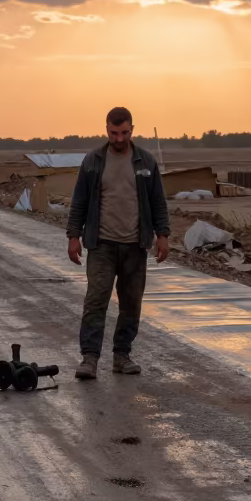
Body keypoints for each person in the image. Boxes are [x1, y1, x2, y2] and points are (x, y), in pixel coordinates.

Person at [67, 107, 171, 380]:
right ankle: (89, 359)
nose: (119, 138)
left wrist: (163, 235)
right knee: (96, 300)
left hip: (135, 246)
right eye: (114, 133)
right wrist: (73, 236)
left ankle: (122, 356)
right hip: (101, 245)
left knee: (131, 303)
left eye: (124, 132)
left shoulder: (146, 162)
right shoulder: (93, 162)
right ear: (107, 130)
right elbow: (79, 201)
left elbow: (157, 202)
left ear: (132, 130)